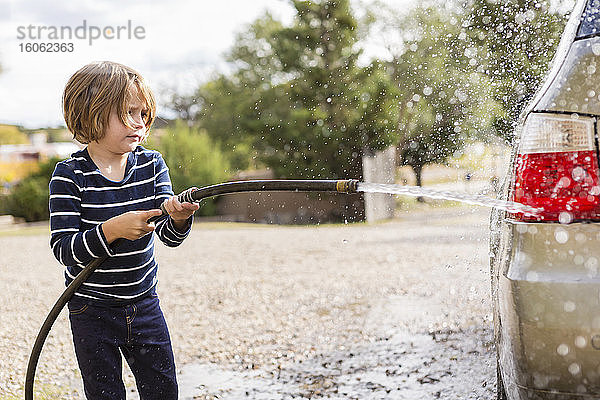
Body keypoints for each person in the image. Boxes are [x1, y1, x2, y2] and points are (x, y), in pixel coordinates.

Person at [49, 61, 199, 400]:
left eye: (144, 114)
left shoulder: (151, 165)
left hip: (145, 304)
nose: (140, 123)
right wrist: (112, 229)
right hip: (91, 310)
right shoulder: (70, 175)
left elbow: (169, 237)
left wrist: (177, 218)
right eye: (127, 113)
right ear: (91, 113)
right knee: (105, 394)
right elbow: (64, 250)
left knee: (162, 390)